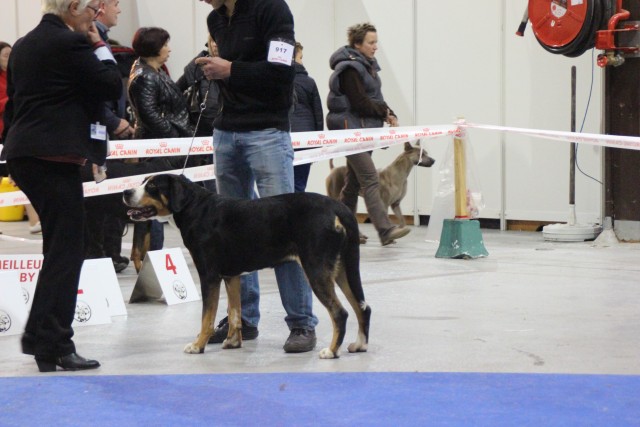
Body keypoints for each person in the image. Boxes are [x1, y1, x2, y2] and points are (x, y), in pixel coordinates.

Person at [0, 0, 122, 372]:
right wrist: (98, 44)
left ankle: (42, 340)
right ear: (72, 7)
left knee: (59, 249)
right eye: (91, 11)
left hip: (25, 152)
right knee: (69, 250)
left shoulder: (23, 44)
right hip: (51, 157)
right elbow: (111, 84)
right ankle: (55, 342)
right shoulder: (71, 44)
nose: (94, 19)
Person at [197, 0, 318, 353]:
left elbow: (282, 71)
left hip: (267, 131)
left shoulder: (272, 10)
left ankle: (301, 323)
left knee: (287, 229)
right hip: (225, 131)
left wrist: (229, 69)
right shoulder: (215, 18)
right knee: (231, 233)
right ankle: (242, 321)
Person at [326, 22, 411, 246]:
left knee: (353, 184)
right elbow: (360, 102)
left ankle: (344, 231)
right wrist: (384, 112)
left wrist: (389, 112)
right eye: (371, 43)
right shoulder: (350, 69)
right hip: (351, 132)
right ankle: (385, 230)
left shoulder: (367, 66)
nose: (375, 47)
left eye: (376, 42)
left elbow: (375, 98)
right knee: (371, 179)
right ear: (357, 44)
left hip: (362, 131)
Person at [128, 27, 194, 251]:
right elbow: (150, 116)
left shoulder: (155, 72)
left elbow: (170, 96)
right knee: (151, 202)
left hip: (167, 146)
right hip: (159, 149)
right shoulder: (143, 77)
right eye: (165, 44)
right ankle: (151, 256)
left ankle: (153, 254)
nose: (169, 49)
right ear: (154, 48)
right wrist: (175, 138)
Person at [84, 0, 133, 272]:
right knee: (96, 199)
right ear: (100, 7)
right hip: (96, 132)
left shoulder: (101, 39)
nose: (120, 10)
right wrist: (113, 121)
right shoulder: (89, 41)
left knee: (107, 194)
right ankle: (97, 254)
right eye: (115, 4)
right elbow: (98, 90)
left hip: (104, 132)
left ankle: (108, 253)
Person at [176, 35, 220, 193]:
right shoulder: (197, 65)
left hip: (228, 130)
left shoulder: (235, 64)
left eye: (219, 41)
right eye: (213, 40)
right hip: (201, 132)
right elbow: (176, 90)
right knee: (208, 183)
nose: (215, 45)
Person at [290, 42, 323, 193]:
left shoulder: (274, 81)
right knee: (299, 183)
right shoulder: (309, 82)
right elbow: (318, 114)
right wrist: (318, 142)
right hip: (306, 139)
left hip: (283, 138)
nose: (302, 61)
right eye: (300, 57)